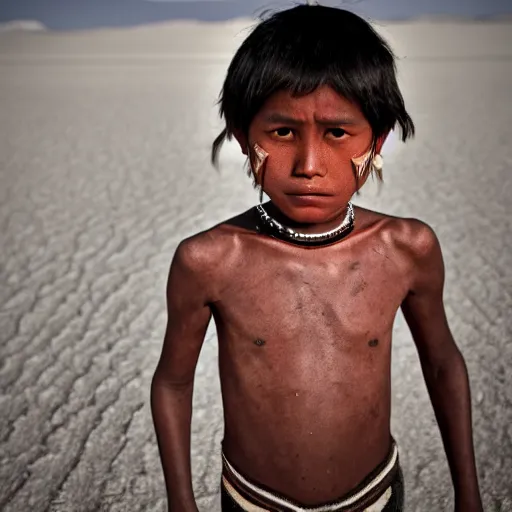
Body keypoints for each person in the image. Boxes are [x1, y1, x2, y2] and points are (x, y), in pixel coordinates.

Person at [150, 4, 483, 511]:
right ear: (243, 136)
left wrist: (469, 494)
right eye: (281, 133)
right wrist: (181, 502)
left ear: (378, 140)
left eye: (337, 133)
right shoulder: (210, 261)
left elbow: (443, 365)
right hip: (253, 501)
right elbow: (173, 383)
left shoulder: (406, 250)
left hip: (373, 497)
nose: (309, 166)